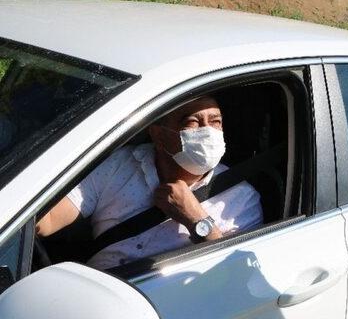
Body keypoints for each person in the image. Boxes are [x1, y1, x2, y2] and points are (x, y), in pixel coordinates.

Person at [36, 96, 263, 269]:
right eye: (192, 122)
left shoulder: (242, 198)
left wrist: (197, 220)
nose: (207, 131)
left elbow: (238, 275)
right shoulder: (119, 164)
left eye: (215, 122)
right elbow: (46, 221)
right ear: (158, 133)